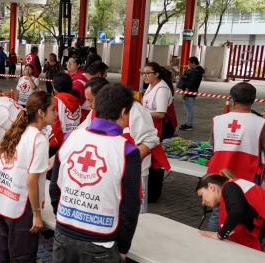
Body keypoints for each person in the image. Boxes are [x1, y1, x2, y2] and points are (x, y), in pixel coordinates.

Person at [41, 83, 141, 263]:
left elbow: (55, 186)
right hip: (101, 241)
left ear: (95, 108)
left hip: (66, 231)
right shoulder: (126, 151)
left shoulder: (73, 138)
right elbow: (130, 208)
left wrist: (64, 217)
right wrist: (123, 246)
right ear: (123, 112)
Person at [0, 91, 55, 263]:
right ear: (41, 112)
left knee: (3, 253)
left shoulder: (18, 131)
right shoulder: (39, 138)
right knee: (23, 258)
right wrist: (37, 214)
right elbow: (31, 180)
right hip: (19, 207)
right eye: (53, 109)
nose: (55, 114)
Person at [75, 78, 160, 212]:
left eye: (91, 100)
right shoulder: (95, 112)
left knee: (134, 213)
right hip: (107, 173)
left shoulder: (134, 110)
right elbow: (80, 133)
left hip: (134, 174)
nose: (89, 105)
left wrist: (129, 165)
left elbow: (150, 140)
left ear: (103, 97)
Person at [203, 82, 265, 231]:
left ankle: (211, 244)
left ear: (232, 99)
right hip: (246, 177)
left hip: (218, 174)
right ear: (254, 100)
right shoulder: (262, 123)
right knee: (243, 213)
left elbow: (214, 147)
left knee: (218, 211)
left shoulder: (217, 120)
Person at [141, 61, 175, 203]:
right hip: (150, 125)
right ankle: (149, 190)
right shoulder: (151, 86)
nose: (145, 76)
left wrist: (141, 113)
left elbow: (161, 113)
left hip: (160, 127)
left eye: (148, 73)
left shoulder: (162, 89)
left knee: (156, 160)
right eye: (144, 73)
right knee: (151, 159)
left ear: (157, 74)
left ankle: (154, 194)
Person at [46, 73, 81, 153]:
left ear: (55, 87)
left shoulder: (55, 100)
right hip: (72, 138)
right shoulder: (77, 101)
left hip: (57, 140)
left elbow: (55, 122)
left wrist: (61, 141)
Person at [176, 56, 205, 131]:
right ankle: (188, 123)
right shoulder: (199, 71)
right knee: (189, 109)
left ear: (193, 63)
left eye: (189, 63)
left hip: (189, 92)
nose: (188, 65)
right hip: (193, 91)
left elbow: (191, 82)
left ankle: (189, 124)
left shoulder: (195, 72)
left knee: (189, 109)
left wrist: (185, 92)